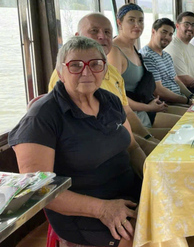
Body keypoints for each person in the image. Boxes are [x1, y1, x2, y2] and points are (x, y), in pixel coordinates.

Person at [10, 37, 141, 247]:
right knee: (138, 235)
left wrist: (153, 179)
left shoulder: (110, 100)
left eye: (96, 64)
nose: (87, 72)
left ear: (105, 69)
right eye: (76, 65)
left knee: (169, 211)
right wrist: (103, 209)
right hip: (84, 211)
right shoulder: (42, 117)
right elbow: (38, 189)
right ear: (60, 73)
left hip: (126, 192)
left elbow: (132, 147)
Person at [48, 13, 160, 154]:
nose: (102, 36)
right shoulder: (68, 75)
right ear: (77, 36)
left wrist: (148, 138)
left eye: (107, 32)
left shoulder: (111, 71)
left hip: (122, 140)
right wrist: (146, 144)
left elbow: (127, 112)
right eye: (94, 31)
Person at [108, 4, 183, 129]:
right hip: (132, 115)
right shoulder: (114, 51)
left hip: (146, 105)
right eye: (131, 20)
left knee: (192, 119)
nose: (137, 25)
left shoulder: (133, 48)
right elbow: (117, 96)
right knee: (186, 127)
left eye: (140, 20)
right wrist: (148, 107)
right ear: (119, 23)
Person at [140, 18, 194, 106]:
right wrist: (187, 101)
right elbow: (159, 91)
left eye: (170, 34)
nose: (167, 37)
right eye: (164, 32)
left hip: (179, 100)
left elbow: (176, 80)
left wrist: (191, 96)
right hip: (165, 104)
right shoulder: (147, 56)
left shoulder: (166, 56)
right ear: (153, 31)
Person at [164, 11, 194, 96]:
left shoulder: (192, 47)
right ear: (177, 26)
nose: (190, 28)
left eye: (193, 25)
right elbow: (184, 80)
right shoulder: (173, 46)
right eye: (186, 24)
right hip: (182, 93)